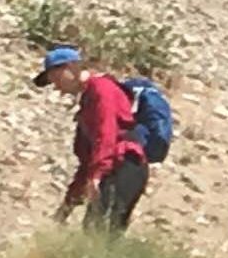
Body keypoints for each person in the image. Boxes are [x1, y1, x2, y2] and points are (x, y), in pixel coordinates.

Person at [35, 47, 147, 231]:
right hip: (114, 167)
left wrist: (97, 174)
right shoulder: (87, 103)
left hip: (126, 163)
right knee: (98, 230)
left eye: (56, 78)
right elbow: (87, 160)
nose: (56, 86)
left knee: (99, 230)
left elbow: (107, 132)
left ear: (71, 67)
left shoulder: (101, 89)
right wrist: (67, 206)